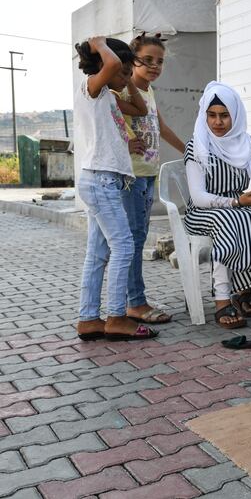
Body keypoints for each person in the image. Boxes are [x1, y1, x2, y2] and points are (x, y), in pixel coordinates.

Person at [73, 36, 159, 341]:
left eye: (126, 73)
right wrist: (99, 44)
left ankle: (88, 319)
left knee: (98, 253)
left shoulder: (107, 95)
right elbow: (108, 65)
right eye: (122, 72)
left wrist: (127, 82)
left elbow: (139, 108)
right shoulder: (90, 87)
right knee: (124, 246)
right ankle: (117, 318)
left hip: (104, 180)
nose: (124, 78)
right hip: (101, 179)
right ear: (104, 66)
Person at [183, 82, 251, 328]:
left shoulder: (247, 143)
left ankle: (243, 289)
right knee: (230, 220)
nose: (218, 122)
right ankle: (221, 299)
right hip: (204, 211)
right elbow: (197, 197)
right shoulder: (197, 146)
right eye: (212, 115)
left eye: (225, 116)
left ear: (236, 116)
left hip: (238, 206)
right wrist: (237, 201)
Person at [114, 33, 185, 325]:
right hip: (131, 176)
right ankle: (135, 303)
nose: (154, 66)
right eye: (147, 60)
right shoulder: (123, 91)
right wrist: (125, 142)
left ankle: (134, 300)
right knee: (132, 240)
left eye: (160, 62)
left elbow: (160, 126)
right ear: (133, 61)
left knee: (138, 237)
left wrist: (187, 150)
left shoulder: (149, 91)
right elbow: (109, 119)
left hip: (147, 175)